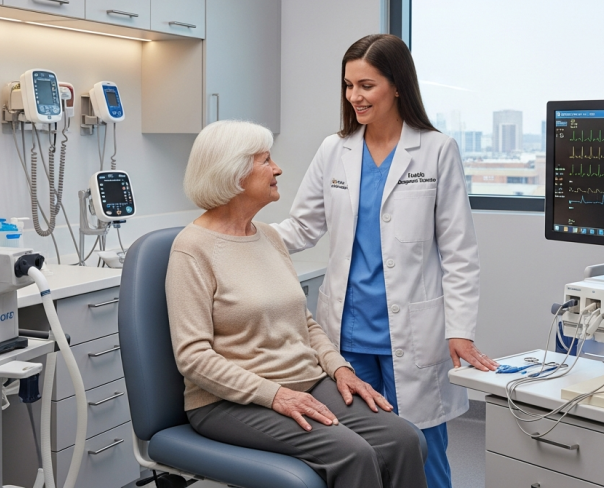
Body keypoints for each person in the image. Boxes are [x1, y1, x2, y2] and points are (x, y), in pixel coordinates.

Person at [272, 34, 498, 488]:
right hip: (348, 334)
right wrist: (235, 234)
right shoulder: (334, 149)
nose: (354, 96)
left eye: (366, 85)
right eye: (348, 85)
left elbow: (459, 251)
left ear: (397, 86)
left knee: (423, 447)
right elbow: (301, 227)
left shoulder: (436, 150)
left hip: (414, 332)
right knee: (359, 447)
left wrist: (459, 328)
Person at [165, 120, 427, 488]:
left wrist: (339, 369)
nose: (277, 169)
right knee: (353, 454)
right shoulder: (191, 250)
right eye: (265, 161)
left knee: (404, 439)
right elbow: (193, 357)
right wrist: (275, 395)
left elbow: (303, 323)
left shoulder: (269, 237)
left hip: (306, 382)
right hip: (226, 402)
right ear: (234, 173)